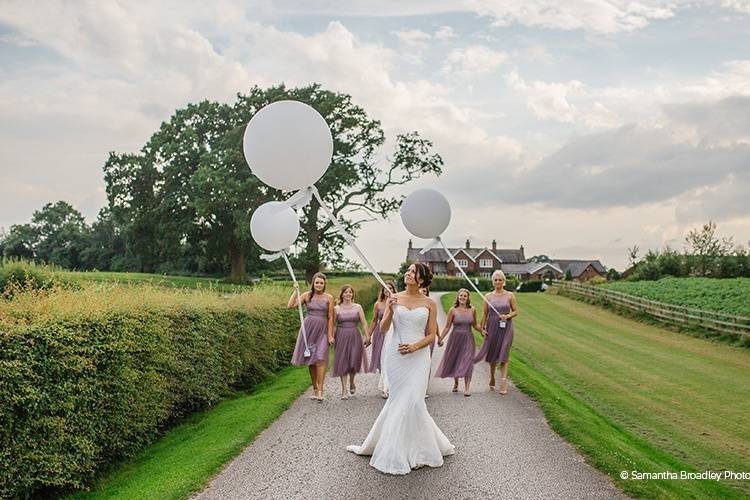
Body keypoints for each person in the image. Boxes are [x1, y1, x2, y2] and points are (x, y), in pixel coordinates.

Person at [346, 262, 455, 474]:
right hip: (396, 356)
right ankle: (395, 450)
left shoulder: (429, 303)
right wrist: (389, 307)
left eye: (413, 271)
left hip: (419, 356)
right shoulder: (395, 299)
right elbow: (384, 328)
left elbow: (431, 335)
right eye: (408, 270)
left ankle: (420, 450)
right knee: (399, 400)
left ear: (421, 279)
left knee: (414, 400)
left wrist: (415, 347)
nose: (408, 273)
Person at [289, 272, 335, 401]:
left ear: (324, 284)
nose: (319, 285)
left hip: (323, 331)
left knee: (321, 359)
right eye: (317, 283)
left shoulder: (329, 298)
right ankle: (314, 388)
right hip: (308, 331)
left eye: (321, 283)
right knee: (312, 361)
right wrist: (295, 291)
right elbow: (290, 306)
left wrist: (330, 335)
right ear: (313, 284)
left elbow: (331, 317)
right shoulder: (306, 296)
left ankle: (320, 390)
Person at [474, 270, 519, 395]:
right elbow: (484, 313)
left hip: (506, 328)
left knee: (504, 352)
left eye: (500, 280)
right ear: (492, 282)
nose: (498, 282)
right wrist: (482, 328)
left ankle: (503, 382)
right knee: (493, 354)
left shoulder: (510, 295)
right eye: (496, 280)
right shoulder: (488, 297)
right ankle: (493, 376)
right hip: (492, 326)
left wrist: (508, 315)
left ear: (504, 281)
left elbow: (516, 311)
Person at [435, 288, 482, 396]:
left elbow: (475, 324)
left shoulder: (472, 310)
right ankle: (456, 383)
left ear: (468, 298)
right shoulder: (453, 310)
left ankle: (467, 388)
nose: (462, 297)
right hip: (455, 338)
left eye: (465, 296)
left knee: (468, 362)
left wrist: (482, 331)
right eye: (461, 295)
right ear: (458, 297)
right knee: (456, 360)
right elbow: (447, 327)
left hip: (468, 338)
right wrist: (440, 338)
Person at [331, 285, 370, 400]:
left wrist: (367, 335)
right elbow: (333, 325)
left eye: (350, 292)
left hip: (354, 335)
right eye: (346, 292)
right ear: (342, 294)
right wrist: (331, 337)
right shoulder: (336, 308)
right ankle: (344, 390)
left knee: (353, 362)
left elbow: (363, 323)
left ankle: (352, 381)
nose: (348, 294)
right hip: (341, 336)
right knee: (343, 362)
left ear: (352, 294)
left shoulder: (358, 307)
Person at [369, 281, 397, 399]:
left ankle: (391, 385)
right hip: (380, 333)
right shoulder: (378, 304)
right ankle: (384, 384)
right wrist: (368, 334)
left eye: (389, 288)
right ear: (382, 290)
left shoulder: (396, 302)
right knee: (381, 357)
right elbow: (374, 320)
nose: (387, 290)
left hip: (393, 331)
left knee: (391, 358)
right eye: (385, 288)